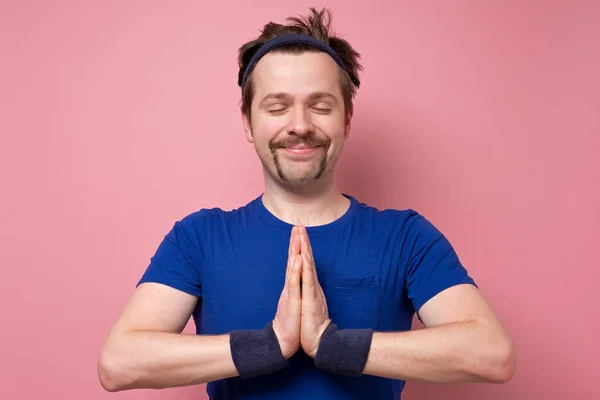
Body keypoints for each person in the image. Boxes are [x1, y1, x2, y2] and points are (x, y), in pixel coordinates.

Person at [97, 7, 516, 399]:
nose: (300, 125)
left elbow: (491, 354)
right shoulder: (200, 237)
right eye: (277, 107)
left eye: (320, 106)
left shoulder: (405, 237)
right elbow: (120, 363)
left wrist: (334, 346)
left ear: (346, 119)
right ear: (248, 123)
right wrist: (267, 346)